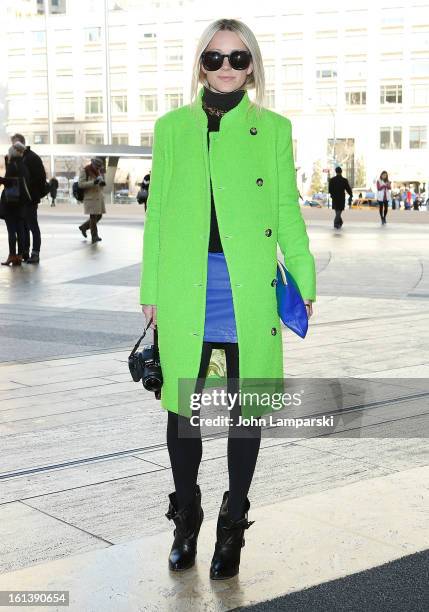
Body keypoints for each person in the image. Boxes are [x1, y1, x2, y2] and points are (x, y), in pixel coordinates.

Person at [140, 18, 316, 580]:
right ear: (200, 64)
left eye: (238, 58)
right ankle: (185, 512)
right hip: (187, 287)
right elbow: (157, 216)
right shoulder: (171, 128)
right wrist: (150, 291)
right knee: (184, 412)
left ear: (252, 66)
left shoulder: (276, 129)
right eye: (214, 58)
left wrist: (305, 281)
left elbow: (286, 209)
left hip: (249, 287)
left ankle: (233, 520)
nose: (225, 68)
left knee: (247, 408)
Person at [10, 134, 46, 264]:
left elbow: (40, 178)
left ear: (21, 144)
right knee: (24, 226)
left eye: (15, 145)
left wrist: (25, 186)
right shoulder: (20, 158)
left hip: (30, 197)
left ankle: (35, 253)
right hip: (22, 198)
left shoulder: (32, 158)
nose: (13, 148)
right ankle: (25, 252)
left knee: (32, 225)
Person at [0, 142, 32, 266]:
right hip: (21, 203)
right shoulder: (23, 165)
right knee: (20, 230)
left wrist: (1, 179)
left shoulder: (12, 165)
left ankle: (11, 255)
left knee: (11, 231)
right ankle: (19, 255)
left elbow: (9, 182)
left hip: (11, 202)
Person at [77, 157, 106, 243]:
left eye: (99, 167)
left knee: (99, 216)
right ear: (92, 164)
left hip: (98, 197)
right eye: (97, 167)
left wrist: (101, 183)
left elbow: (99, 183)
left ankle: (84, 227)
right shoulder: (85, 170)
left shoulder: (98, 171)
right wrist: (93, 182)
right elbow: (80, 184)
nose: (98, 169)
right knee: (93, 217)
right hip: (90, 197)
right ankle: (94, 236)